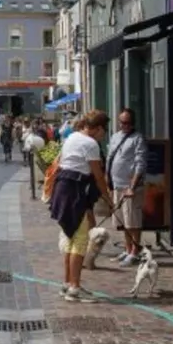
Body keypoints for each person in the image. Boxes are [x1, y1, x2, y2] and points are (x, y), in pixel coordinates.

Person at [49, 111, 115, 302]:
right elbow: (97, 175)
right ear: (99, 128)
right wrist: (108, 198)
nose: (104, 135)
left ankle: (67, 283)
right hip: (75, 192)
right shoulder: (91, 144)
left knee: (70, 238)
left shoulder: (71, 137)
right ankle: (75, 287)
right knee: (79, 240)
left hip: (62, 189)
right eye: (104, 131)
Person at [106, 108, 147, 267]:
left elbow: (140, 163)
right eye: (122, 122)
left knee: (133, 221)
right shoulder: (115, 136)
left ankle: (135, 252)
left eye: (128, 123)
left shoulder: (138, 138)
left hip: (130, 187)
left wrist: (133, 186)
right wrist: (107, 179)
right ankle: (127, 248)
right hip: (116, 184)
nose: (125, 125)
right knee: (123, 221)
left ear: (133, 123)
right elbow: (110, 157)